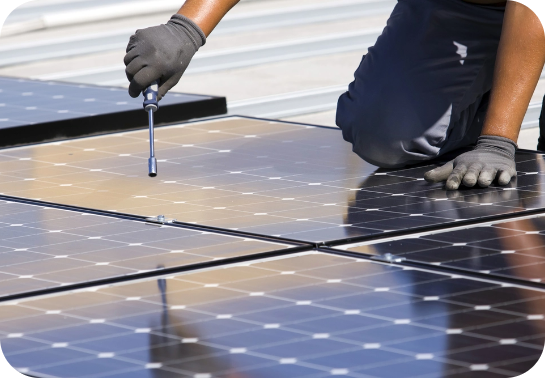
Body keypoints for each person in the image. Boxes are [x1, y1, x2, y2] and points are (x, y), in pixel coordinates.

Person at [124, 0, 545, 190]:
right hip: (464, 7)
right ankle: (473, 105)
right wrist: (188, 28)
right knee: (384, 132)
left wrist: (499, 139)